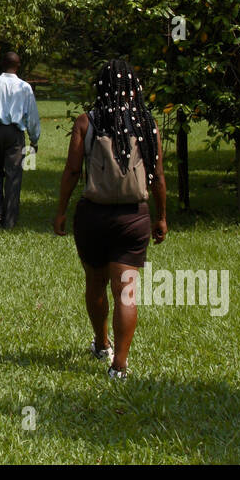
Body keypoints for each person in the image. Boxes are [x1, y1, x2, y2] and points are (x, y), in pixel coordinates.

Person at [52, 59, 167, 379]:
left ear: (100, 87)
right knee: (126, 291)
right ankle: (120, 364)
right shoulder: (148, 123)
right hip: (134, 217)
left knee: (95, 283)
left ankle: (102, 343)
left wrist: (61, 210)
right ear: (134, 88)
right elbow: (157, 177)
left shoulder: (87, 122)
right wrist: (162, 218)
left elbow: (73, 170)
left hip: (94, 217)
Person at [0, 51, 41, 229]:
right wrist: (34, 139)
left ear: (2, 64)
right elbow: (32, 117)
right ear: (18, 66)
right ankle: (10, 219)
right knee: (14, 175)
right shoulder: (25, 87)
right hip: (15, 134)